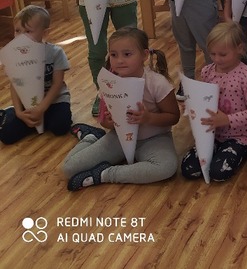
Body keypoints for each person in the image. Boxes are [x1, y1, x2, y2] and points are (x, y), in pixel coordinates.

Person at [62, 27, 179, 190]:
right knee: (69, 168)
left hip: (154, 139)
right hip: (118, 138)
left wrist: (149, 118)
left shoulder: (157, 83)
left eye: (127, 54)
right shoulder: (109, 83)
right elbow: (104, 121)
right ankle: (90, 137)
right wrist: (109, 122)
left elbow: (174, 116)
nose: (119, 60)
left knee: (166, 167)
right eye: (113, 55)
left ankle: (104, 174)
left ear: (144, 55)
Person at [181, 21, 247, 181]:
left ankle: (242, 151)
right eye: (212, 54)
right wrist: (191, 105)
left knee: (218, 173)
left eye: (223, 54)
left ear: (239, 49)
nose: (217, 59)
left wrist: (227, 120)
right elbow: (203, 99)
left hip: (239, 136)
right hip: (211, 134)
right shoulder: (207, 71)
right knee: (189, 169)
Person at [0, 6, 71, 144]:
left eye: (28, 31)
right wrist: (19, 112)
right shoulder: (14, 55)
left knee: (60, 127)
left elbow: (57, 84)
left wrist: (41, 108)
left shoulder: (55, 53)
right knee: (6, 136)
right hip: (28, 103)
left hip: (54, 100)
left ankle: (37, 122)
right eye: (17, 31)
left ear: (44, 33)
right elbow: (15, 84)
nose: (21, 37)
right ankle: (12, 113)